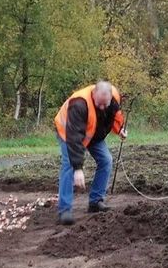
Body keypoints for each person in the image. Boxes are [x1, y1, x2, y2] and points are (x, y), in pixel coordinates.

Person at [54, 81, 127, 225]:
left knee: (106, 160)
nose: (102, 107)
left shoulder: (112, 99)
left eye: (104, 104)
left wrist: (120, 129)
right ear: (93, 94)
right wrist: (78, 168)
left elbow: (114, 115)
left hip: (93, 134)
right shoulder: (79, 104)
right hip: (68, 133)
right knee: (69, 165)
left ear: (110, 97)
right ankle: (65, 211)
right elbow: (74, 138)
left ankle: (96, 201)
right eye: (99, 104)